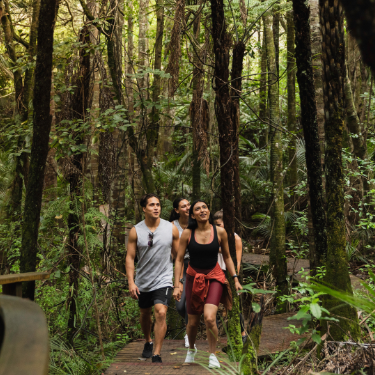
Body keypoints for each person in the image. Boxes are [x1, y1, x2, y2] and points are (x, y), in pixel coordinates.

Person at [173, 200, 242, 369]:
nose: (202, 210)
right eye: (198, 209)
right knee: (193, 322)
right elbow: (179, 259)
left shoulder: (220, 232)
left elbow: (226, 257)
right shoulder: (187, 233)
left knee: (210, 318)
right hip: (193, 277)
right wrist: (177, 284)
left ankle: (212, 354)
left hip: (214, 276)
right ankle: (191, 350)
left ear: (208, 211)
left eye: (204, 207)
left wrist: (235, 277)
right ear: (193, 215)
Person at [126, 194, 180, 363]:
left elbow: (178, 257)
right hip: (143, 280)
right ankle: (148, 341)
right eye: (151, 205)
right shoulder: (136, 230)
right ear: (144, 208)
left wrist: (178, 282)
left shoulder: (170, 228)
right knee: (144, 314)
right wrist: (131, 282)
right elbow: (129, 257)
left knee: (161, 312)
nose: (156, 207)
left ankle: (156, 353)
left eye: (158, 205)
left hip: (163, 278)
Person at [213, 209, 247, 344]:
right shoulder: (212, 236)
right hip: (214, 273)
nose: (217, 227)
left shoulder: (235, 238)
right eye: (215, 225)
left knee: (233, 306)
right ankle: (214, 337)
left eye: (220, 225)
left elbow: (237, 261)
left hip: (228, 274)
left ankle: (242, 334)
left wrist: (234, 278)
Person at [169, 197, 191, 348]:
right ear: (177, 210)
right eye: (183, 206)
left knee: (189, 301)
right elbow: (175, 254)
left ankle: (189, 332)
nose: (188, 208)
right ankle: (192, 321)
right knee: (180, 306)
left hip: (196, 265)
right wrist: (179, 282)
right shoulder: (172, 226)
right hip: (180, 264)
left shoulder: (197, 223)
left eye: (189, 205)